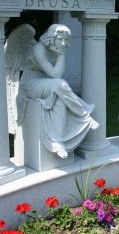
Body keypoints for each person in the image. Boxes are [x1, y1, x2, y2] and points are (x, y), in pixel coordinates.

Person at [17, 24, 98, 157]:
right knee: (60, 84)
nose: (64, 43)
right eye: (60, 39)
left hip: (46, 84)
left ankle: (58, 143)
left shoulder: (56, 50)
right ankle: (83, 113)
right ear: (51, 38)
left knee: (60, 99)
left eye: (66, 40)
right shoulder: (39, 49)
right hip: (30, 86)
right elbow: (55, 75)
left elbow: (57, 74)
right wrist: (61, 55)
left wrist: (60, 54)